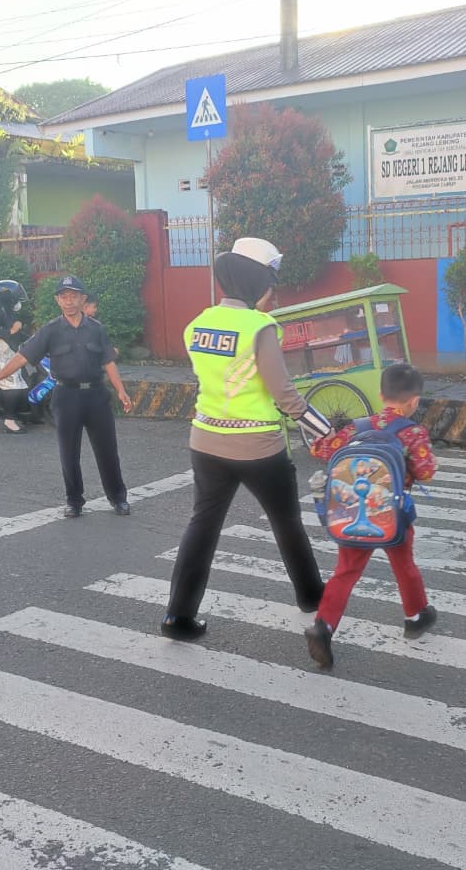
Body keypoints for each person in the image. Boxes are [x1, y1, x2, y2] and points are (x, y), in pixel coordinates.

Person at [160, 238, 333, 642]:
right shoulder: (259, 327)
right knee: (286, 522)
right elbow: (284, 395)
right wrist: (329, 431)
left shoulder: (197, 324)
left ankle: (177, 617)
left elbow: (216, 378)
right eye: (270, 287)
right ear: (256, 285)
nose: (272, 296)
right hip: (257, 447)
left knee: (202, 525)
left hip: (205, 441)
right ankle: (311, 595)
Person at [303, 363, 438, 669]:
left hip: (352, 513)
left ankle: (323, 626)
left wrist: (330, 434)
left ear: (380, 395)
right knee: (404, 566)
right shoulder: (413, 433)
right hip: (393, 516)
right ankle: (415, 616)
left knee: (345, 571)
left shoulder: (357, 427)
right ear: (414, 401)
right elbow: (426, 472)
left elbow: (320, 450)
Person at [0, 275, 134, 516]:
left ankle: (118, 498)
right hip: (66, 396)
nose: (69, 301)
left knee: (107, 450)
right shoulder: (50, 330)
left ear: (82, 299)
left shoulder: (97, 329)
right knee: (69, 452)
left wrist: (120, 390)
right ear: (58, 300)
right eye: (64, 297)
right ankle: (74, 501)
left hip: (96, 396)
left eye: (74, 296)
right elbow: (22, 357)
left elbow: (108, 361)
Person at [0, 279, 39, 433]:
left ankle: (26, 415)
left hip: (5, 351)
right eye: (17, 296)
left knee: (26, 377)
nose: (19, 299)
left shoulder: (7, 310)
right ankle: (9, 420)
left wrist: (34, 339)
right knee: (13, 383)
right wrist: (11, 331)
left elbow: (15, 333)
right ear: (9, 295)